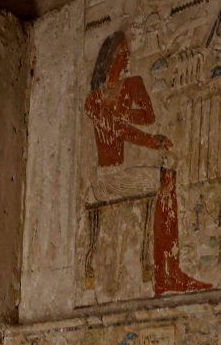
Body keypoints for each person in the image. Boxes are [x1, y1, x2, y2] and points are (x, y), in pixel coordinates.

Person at [85, 30, 209, 296]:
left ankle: (168, 271)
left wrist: (127, 96)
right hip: (108, 179)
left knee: (168, 178)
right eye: (121, 53)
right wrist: (152, 141)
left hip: (124, 173)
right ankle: (166, 274)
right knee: (166, 179)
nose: (127, 57)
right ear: (107, 59)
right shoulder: (94, 100)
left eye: (127, 52)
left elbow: (147, 116)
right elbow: (118, 129)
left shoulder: (129, 87)